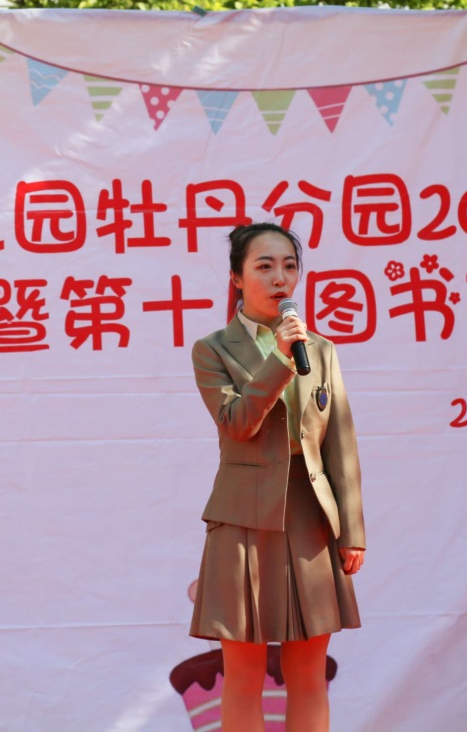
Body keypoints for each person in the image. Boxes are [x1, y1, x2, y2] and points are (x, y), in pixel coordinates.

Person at [189, 222, 365, 732]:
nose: (279, 278)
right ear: (237, 278)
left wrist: (352, 530)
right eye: (264, 266)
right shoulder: (213, 350)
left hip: (310, 518)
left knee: (308, 673)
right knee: (244, 675)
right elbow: (238, 423)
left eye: (289, 266)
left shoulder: (322, 350)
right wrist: (280, 358)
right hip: (242, 521)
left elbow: (339, 441)